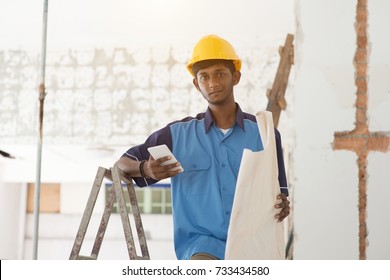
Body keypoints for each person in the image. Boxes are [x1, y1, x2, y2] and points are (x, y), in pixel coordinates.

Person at [114, 34, 290, 260]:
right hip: (201, 247)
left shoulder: (265, 134)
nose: (213, 83)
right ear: (197, 84)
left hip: (253, 247)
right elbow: (120, 166)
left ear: (235, 77)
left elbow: (280, 195)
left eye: (220, 74)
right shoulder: (177, 135)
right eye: (204, 77)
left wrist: (283, 205)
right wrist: (145, 169)